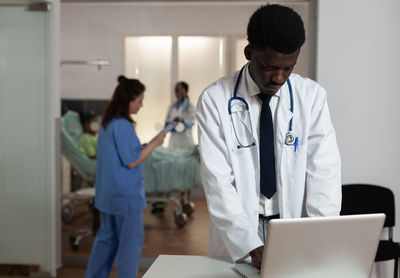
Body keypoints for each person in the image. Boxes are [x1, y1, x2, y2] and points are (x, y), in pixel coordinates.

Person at [195, 4, 341, 268]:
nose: (279, 77)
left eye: (288, 68)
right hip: (238, 234)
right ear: (249, 53)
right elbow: (218, 183)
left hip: (291, 227)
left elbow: (324, 172)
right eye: (269, 67)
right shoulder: (214, 100)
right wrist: (250, 244)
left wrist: (321, 232)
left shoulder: (312, 98)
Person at [85, 76, 166, 278]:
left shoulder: (108, 122)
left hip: (108, 197)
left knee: (106, 240)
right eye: (139, 100)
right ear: (128, 100)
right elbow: (131, 161)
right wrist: (155, 144)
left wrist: (142, 147)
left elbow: (122, 153)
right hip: (125, 198)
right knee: (130, 246)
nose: (141, 104)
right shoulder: (122, 126)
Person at [165, 81, 195, 149]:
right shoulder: (171, 107)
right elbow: (166, 125)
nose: (178, 93)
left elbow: (191, 123)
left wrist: (182, 120)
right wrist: (173, 123)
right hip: (174, 142)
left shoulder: (190, 107)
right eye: (176, 90)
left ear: (186, 91)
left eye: (180, 90)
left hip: (186, 142)